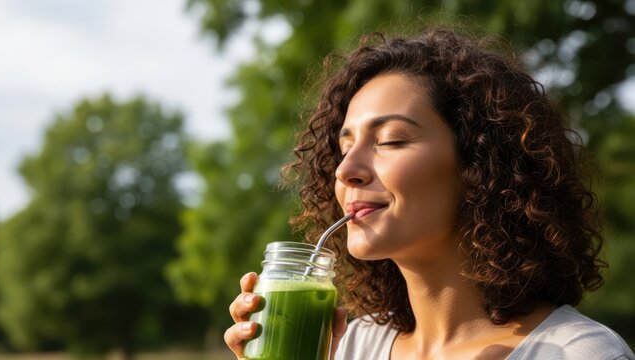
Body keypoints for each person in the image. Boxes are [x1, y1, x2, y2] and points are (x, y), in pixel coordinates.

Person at [224, 27, 635, 359]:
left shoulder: (576, 353)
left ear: (479, 164)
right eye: (345, 147)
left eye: (391, 140)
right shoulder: (350, 346)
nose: (347, 170)